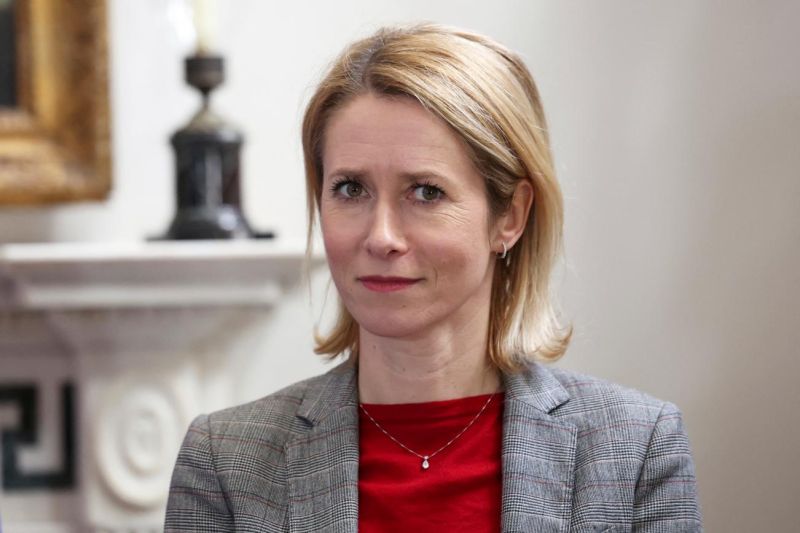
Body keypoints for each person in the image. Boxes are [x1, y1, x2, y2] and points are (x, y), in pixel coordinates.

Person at [165, 24, 702, 532]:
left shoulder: (636, 449)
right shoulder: (226, 462)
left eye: (426, 192)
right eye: (351, 189)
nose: (382, 237)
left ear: (510, 216)